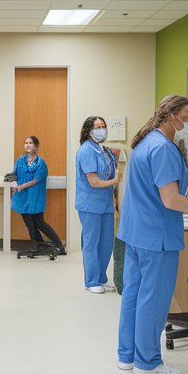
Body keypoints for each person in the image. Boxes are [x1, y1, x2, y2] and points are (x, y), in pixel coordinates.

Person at [117, 95, 188, 374]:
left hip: (137, 233)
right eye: (187, 115)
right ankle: (147, 362)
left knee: (134, 296)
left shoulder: (145, 143)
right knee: (154, 299)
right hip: (156, 238)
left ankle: (128, 355)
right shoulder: (162, 148)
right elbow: (172, 200)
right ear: (171, 115)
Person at [76, 116, 118, 293]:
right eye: (97, 127)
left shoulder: (103, 151)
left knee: (107, 243)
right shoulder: (86, 150)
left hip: (106, 204)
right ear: (88, 131)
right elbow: (94, 182)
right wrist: (116, 180)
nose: (102, 130)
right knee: (92, 243)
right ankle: (92, 280)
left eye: (103, 126)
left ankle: (101, 278)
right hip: (90, 204)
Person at [12, 135, 64, 255]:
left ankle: (58, 244)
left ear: (36, 146)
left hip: (35, 197)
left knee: (40, 223)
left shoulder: (41, 163)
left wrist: (21, 186)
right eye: (26, 143)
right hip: (22, 197)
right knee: (29, 224)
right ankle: (38, 245)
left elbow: (35, 180)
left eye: (30, 143)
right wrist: (10, 179)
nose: (28, 145)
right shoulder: (20, 160)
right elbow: (15, 174)